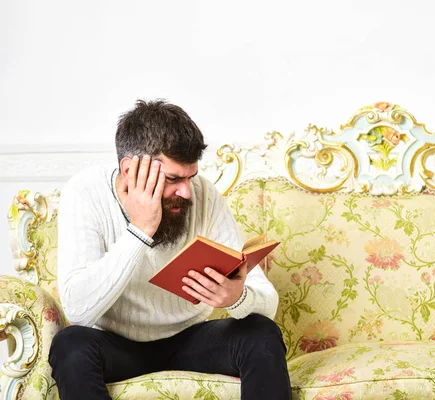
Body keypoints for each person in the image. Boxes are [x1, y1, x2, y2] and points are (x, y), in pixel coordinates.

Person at [49, 99, 291, 399]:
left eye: (190, 177)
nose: (187, 192)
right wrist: (140, 230)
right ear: (130, 169)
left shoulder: (203, 194)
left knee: (261, 334)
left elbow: (267, 302)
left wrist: (236, 296)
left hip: (191, 340)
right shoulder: (85, 192)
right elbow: (78, 310)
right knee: (70, 345)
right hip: (117, 346)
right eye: (173, 179)